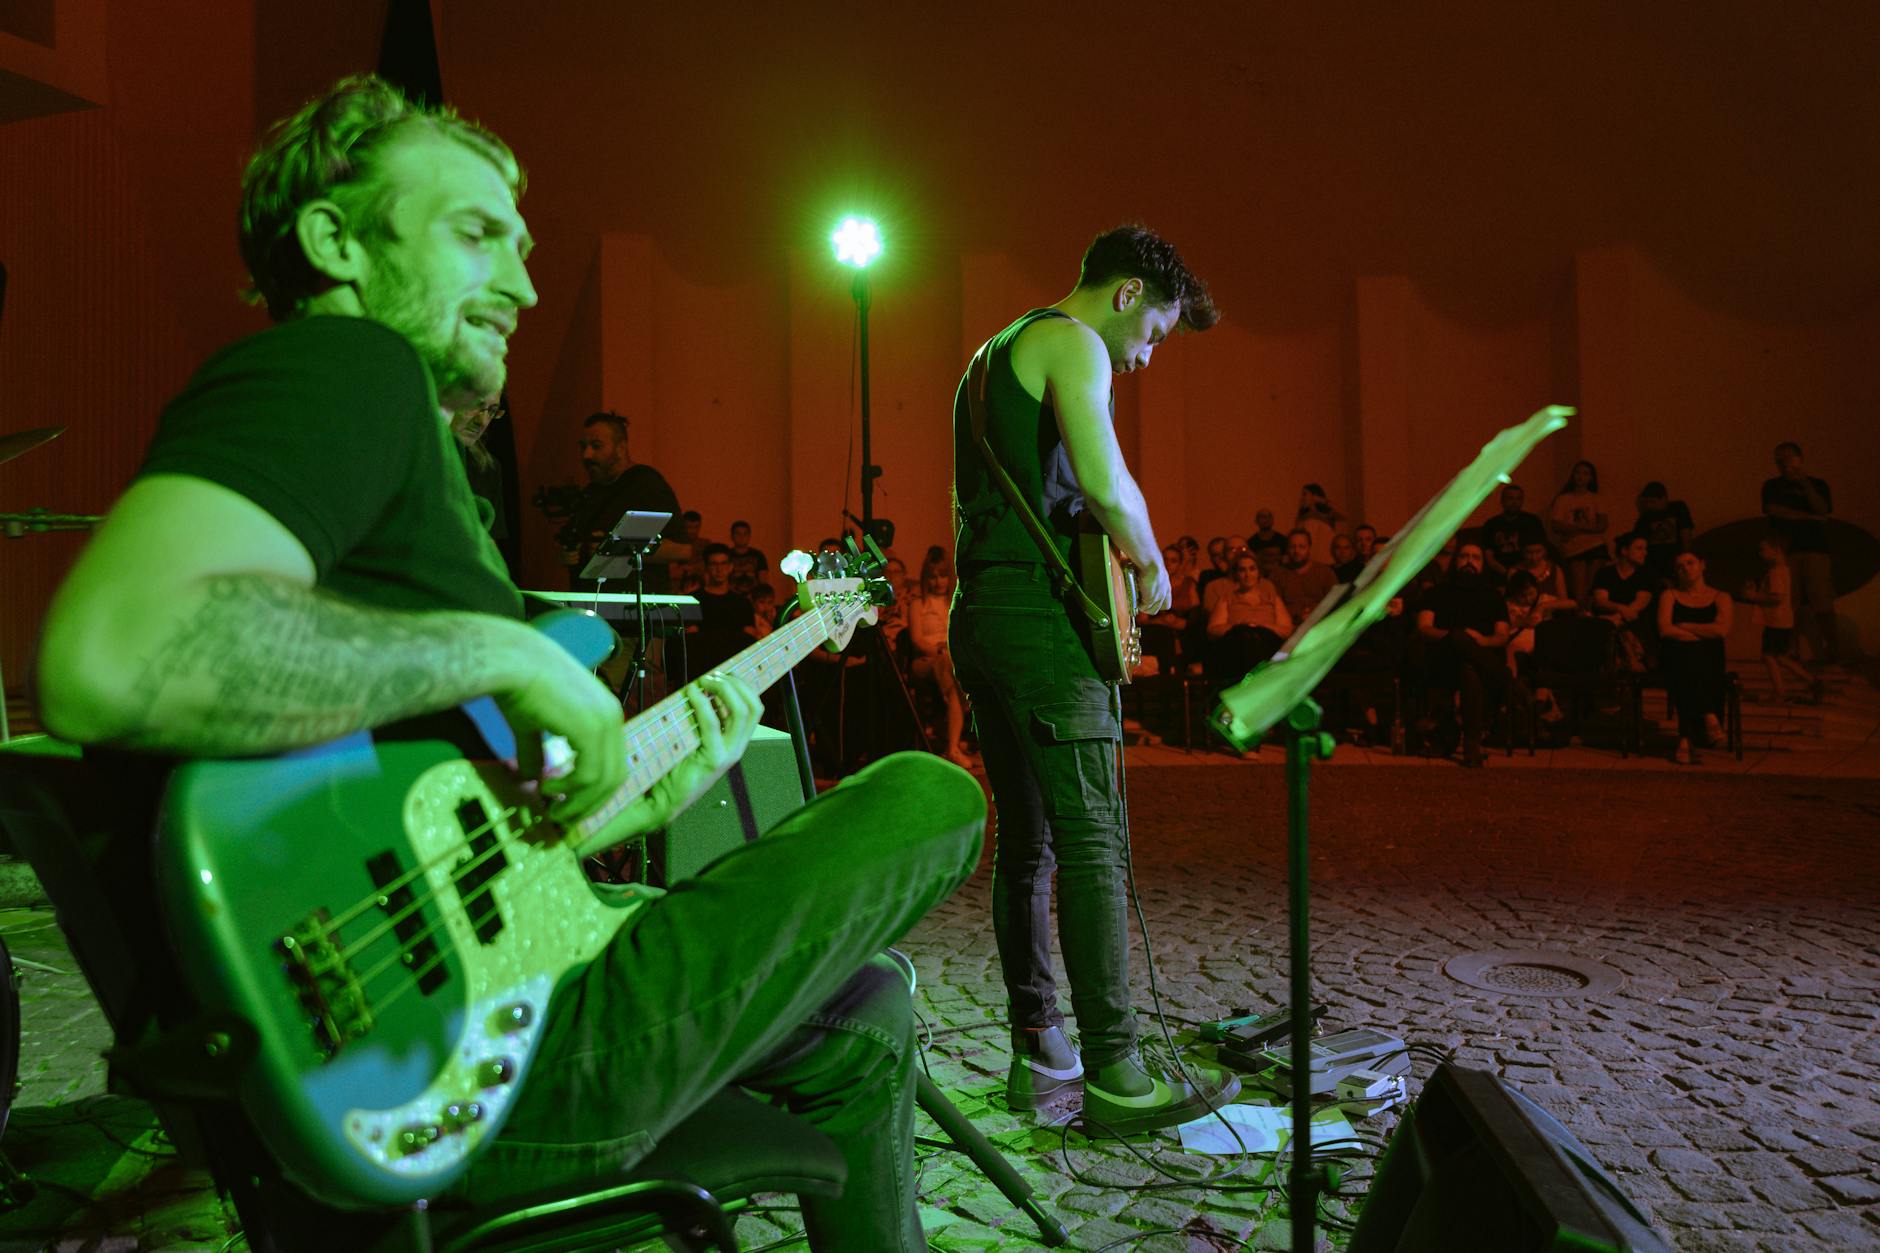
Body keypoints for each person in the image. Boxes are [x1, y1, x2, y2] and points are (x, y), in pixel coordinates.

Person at [31, 77, 982, 1251]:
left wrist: (657, 775)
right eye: (476, 235)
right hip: (494, 1061)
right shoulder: (347, 367)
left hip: (436, 1036)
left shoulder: (408, 454)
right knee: (930, 793)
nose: (525, 286)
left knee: (869, 1016)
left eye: (526, 249)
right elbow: (110, 652)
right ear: (333, 239)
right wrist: (495, 649)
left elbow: (455, 832)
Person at [949, 223, 1238, 1133]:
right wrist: (1150, 566)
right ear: (1124, 295)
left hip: (982, 612)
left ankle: (1043, 1053)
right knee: (1094, 841)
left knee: (1027, 847)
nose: (1149, 355)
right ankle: (1118, 1071)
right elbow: (1107, 481)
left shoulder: (988, 353)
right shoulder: (1073, 341)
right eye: (1154, 331)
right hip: (1040, 620)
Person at [1413, 541, 1513, 767]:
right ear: (1455, 561)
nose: (1469, 562)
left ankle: (1470, 743)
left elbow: (1502, 636)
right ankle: (1507, 682)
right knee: (1459, 639)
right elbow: (1423, 627)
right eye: (1464, 556)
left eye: (1476, 558)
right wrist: (1454, 636)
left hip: (1480, 660)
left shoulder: (1493, 596)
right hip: (1443, 657)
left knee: (1469, 670)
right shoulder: (1437, 593)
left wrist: (1480, 640)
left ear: (1483, 565)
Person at [568, 410, 682, 592]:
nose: (587, 455)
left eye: (596, 446)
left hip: (634, 609)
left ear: (621, 448)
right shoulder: (591, 492)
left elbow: (682, 549)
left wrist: (616, 550)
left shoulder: (645, 483)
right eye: (583, 446)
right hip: (593, 606)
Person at [1761, 442, 1836, 664]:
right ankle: (1790, 650)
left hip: (1815, 549)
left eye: (1788, 458)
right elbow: (1774, 510)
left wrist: (1803, 482)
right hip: (1785, 551)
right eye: (1779, 460)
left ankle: (1833, 650)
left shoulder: (1817, 484)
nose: (1784, 464)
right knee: (1787, 603)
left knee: (1821, 600)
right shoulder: (1772, 486)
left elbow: (1823, 508)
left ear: (1799, 459)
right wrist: (1810, 518)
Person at [1657, 550, 1733, 765]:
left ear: (1702, 564)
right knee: (1686, 658)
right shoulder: (1669, 595)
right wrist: (1703, 633)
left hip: (1706, 662)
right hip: (1677, 657)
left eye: (1690, 563)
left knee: (1692, 664)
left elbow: (1722, 631)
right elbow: (1665, 630)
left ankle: (1684, 739)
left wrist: (1686, 626)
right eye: (1680, 566)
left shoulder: (1720, 597)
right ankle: (1709, 713)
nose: (1685, 569)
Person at [907, 550, 974, 769]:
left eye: (942, 575)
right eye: (933, 576)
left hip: (950, 660)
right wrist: (939, 649)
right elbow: (916, 639)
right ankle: (956, 742)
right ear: (926, 578)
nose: (938, 582)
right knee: (950, 665)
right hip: (925, 660)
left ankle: (952, 746)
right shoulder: (918, 604)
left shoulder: (953, 603)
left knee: (955, 676)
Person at [1738, 535, 1819, 704]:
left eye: (1763, 549)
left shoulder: (1776, 572)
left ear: (1776, 551)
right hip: (1782, 620)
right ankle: (1811, 681)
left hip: (1776, 620)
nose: (1760, 553)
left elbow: (1776, 597)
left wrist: (1752, 596)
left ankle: (1781, 691)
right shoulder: (1783, 571)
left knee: (1769, 656)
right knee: (1779, 656)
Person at [1206, 549, 1293, 684]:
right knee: (1245, 639)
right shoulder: (1227, 599)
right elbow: (1213, 629)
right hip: (1238, 645)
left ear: (1258, 572)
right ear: (1236, 574)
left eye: (1252, 569)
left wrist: (1260, 625)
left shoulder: (1272, 598)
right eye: (1242, 570)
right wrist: (1242, 625)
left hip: (1267, 643)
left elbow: (1287, 630)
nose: (1247, 574)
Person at [1548, 459, 1609, 609]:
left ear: (1591, 478)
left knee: (1593, 587)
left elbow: (1602, 525)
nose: (1581, 477)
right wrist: (1586, 527)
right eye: (1578, 473)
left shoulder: (1596, 499)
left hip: (1596, 546)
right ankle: (1581, 616)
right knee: (1579, 591)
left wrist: (1574, 528)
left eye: (1585, 473)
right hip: (1574, 549)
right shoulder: (1563, 499)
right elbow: (1556, 525)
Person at [1592, 532, 1656, 671]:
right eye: (1639, 548)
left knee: (1619, 630)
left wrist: (1615, 618)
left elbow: (1639, 604)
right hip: (1607, 621)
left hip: (1635, 623)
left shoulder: (1646, 575)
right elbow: (1600, 601)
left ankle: (1632, 661)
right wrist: (1620, 609)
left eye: (1646, 549)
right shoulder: (1605, 573)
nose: (1644, 553)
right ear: (1624, 550)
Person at [1632, 481, 1693, 588]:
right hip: (1656, 566)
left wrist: (1686, 559)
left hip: (1676, 559)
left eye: (1652, 502)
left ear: (1664, 498)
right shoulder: (1645, 519)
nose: (1649, 505)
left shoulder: (1678, 508)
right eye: (1646, 502)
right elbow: (1640, 547)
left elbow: (1686, 533)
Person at [1270, 527, 1337, 625]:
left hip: (1320, 625)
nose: (1296, 551)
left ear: (1309, 547)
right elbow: (1274, 608)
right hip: (1290, 626)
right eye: (1293, 546)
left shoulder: (1325, 573)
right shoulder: (1278, 575)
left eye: (1302, 547)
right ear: (1288, 549)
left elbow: (1335, 603)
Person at [1481, 483, 1547, 578]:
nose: (1514, 502)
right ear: (1502, 501)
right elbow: (1489, 557)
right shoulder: (1491, 524)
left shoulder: (1532, 521)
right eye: (1510, 498)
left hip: (1529, 572)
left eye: (1518, 499)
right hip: (1500, 574)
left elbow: (1542, 550)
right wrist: (1507, 573)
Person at [1294, 483, 1345, 561]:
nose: (1302, 498)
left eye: (1305, 494)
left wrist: (1323, 501)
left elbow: (1344, 515)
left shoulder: (1328, 513)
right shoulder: (1303, 517)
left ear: (1315, 496)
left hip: (1328, 557)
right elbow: (1298, 536)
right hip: (1311, 559)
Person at [727, 518, 770, 594]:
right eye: (738, 534)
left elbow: (763, 580)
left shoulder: (758, 555)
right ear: (732, 536)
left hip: (754, 597)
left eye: (745, 534)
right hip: (731, 596)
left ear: (749, 536)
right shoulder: (727, 555)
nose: (741, 537)